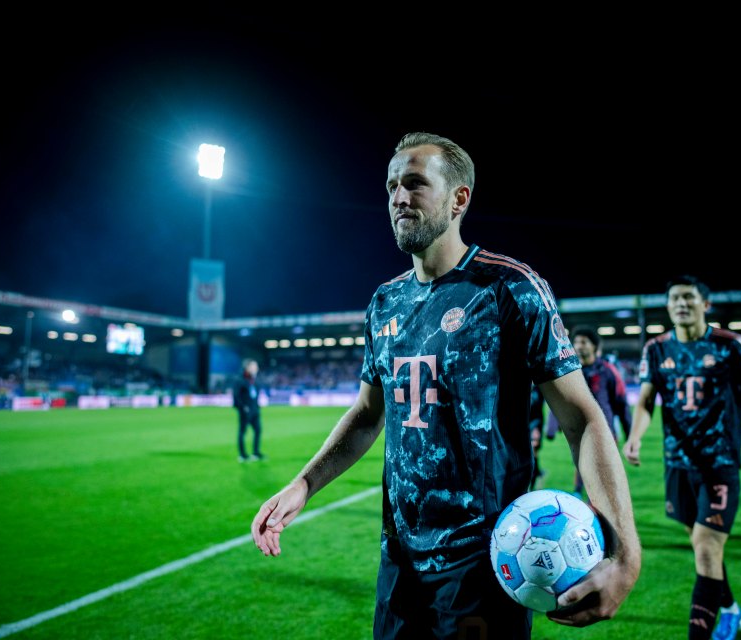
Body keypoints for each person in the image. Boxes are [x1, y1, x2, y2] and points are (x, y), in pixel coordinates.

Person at [251, 132, 640, 638]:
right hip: (399, 561)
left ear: (460, 198)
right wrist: (304, 483)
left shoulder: (510, 289)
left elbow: (582, 418)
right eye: (391, 185)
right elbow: (369, 414)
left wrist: (625, 555)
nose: (397, 197)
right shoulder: (384, 302)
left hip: (484, 563)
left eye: (414, 183)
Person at [622, 275, 741, 640]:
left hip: (719, 464)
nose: (681, 304)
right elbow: (644, 401)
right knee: (705, 546)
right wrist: (635, 437)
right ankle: (732, 609)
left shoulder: (730, 345)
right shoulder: (656, 348)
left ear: (706, 304)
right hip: (678, 465)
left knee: (705, 550)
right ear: (668, 306)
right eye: (675, 298)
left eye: (689, 297)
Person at [569, 325, 632, 496]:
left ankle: (605, 503)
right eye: (576, 342)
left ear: (594, 346)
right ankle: (579, 494)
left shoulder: (607, 370)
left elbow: (621, 401)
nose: (579, 345)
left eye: (583, 342)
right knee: (583, 462)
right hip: (579, 429)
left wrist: (630, 434)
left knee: (604, 470)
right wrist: (553, 426)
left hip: (606, 430)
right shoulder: (572, 371)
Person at [232, 358, 265, 462]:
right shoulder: (239, 379)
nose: (257, 368)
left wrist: (257, 406)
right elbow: (236, 396)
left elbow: (255, 394)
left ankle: (256, 452)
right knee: (242, 432)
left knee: (258, 430)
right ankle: (242, 455)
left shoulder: (254, 379)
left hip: (255, 410)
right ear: (248, 367)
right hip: (245, 411)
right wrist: (243, 407)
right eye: (255, 366)